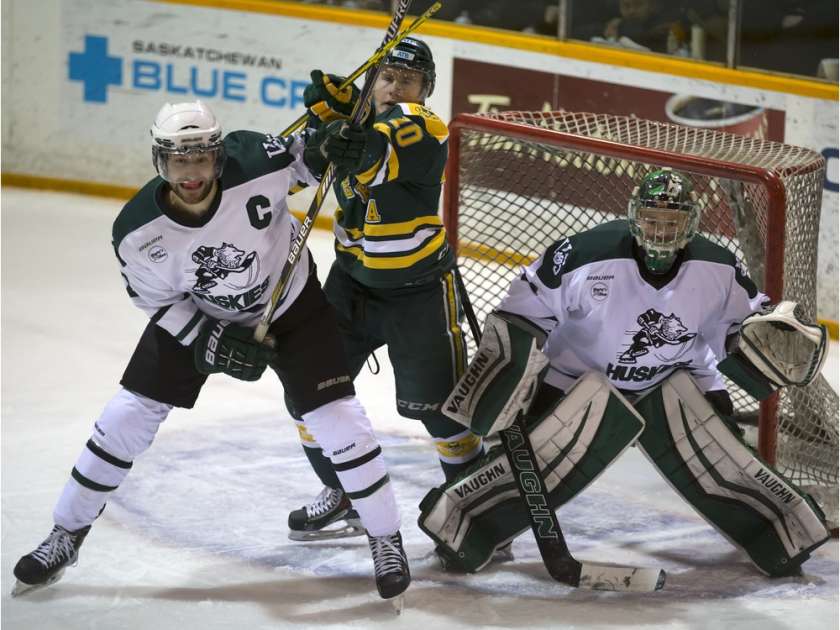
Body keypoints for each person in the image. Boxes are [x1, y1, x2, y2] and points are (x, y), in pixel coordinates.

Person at [11, 100, 410, 602]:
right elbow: (155, 300)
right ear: (160, 160)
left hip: (291, 305)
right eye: (179, 159)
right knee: (126, 416)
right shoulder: (136, 234)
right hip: (201, 314)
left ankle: (385, 538)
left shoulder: (255, 161)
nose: (191, 171)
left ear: (219, 156)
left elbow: (308, 158)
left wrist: (335, 141)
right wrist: (208, 341)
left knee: (337, 419)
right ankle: (65, 535)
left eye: (201, 157)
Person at [418, 168, 831, 576]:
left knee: (729, 465)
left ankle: (780, 533)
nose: (661, 232)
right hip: (577, 375)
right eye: (652, 220)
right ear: (635, 216)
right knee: (532, 462)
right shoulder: (585, 253)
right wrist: (515, 356)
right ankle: (469, 526)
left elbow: (743, 325)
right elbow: (530, 297)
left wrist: (764, 335)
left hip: (678, 376)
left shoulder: (718, 268)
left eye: (673, 222)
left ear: (692, 223)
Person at [284, 37, 485, 541]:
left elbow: (373, 152)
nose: (395, 89)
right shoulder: (362, 120)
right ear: (373, 83)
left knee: (442, 415)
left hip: (416, 294)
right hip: (350, 286)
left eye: (408, 81)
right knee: (308, 395)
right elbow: (308, 165)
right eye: (387, 79)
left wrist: (345, 128)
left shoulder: (426, 126)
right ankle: (347, 495)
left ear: (426, 89)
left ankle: (478, 512)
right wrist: (324, 124)